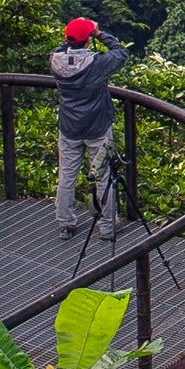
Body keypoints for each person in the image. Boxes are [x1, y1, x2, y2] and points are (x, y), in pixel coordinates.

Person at [48, 16, 132, 240]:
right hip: (98, 128)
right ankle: (107, 227)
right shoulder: (97, 63)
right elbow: (121, 53)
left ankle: (66, 223)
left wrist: (75, 36)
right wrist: (99, 34)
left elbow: (61, 48)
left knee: (67, 176)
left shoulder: (55, 61)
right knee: (104, 176)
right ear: (87, 41)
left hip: (69, 128)